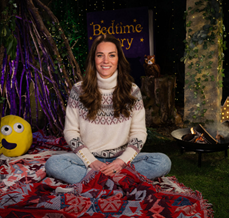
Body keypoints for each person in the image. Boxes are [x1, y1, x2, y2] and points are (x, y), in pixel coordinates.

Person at [45, 34, 171, 184]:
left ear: (118, 59)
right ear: (94, 59)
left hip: (121, 158)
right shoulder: (79, 90)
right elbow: (71, 131)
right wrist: (91, 161)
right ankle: (119, 181)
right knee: (53, 164)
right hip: (89, 158)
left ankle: (96, 182)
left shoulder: (132, 90)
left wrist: (120, 162)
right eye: (100, 55)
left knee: (163, 162)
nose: (106, 61)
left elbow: (139, 132)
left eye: (112, 55)